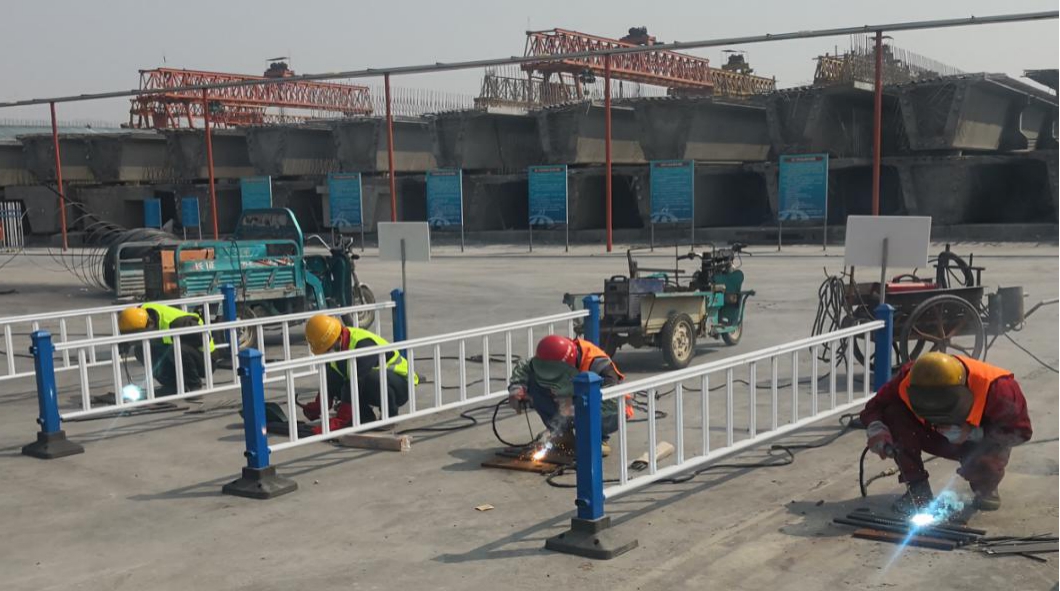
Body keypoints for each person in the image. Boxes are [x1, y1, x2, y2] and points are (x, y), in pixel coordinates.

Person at [860, 352, 1031, 514]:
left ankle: (985, 486)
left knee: (991, 454)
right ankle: (918, 490)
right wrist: (877, 430)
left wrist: (973, 433)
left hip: (974, 442)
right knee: (893, 413)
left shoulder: (999, 388)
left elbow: (1020, 432)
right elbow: (874, 407)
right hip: (930, 433)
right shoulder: (908, 378)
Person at [507, 335, 630, 456]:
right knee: (534, 383)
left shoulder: (598, 364)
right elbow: (525, 365)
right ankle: (562, 434)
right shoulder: (552, 353)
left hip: (610, 408)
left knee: (607, 409)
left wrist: (576, 407)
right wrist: (517, 387)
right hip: (569, 397)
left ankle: (597, 438)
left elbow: (613, 401)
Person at [302, 314, 417, 434]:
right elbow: (330, 381)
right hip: (374, 382)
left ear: (337, 339)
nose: (327, 353)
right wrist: (317, 407)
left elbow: (355, 381)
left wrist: (341, 419)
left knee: (367, 378)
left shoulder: (362, 344)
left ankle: (389, 416)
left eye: (327, 349)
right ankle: (364, 417)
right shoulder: (337, 348)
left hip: (401, 383)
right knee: (338, 378)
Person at [117, 303, 216, 395]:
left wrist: (172, 339)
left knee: (177, 349)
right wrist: (128, 342)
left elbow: (203, 338)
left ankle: (193, 385)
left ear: (150, 324)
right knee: (141, 350)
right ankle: (172, 384)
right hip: (175, 354)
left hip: (205, 360)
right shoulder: (140, 313)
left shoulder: (178, 323)